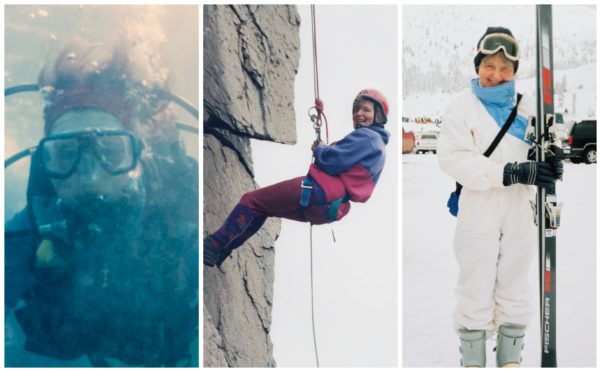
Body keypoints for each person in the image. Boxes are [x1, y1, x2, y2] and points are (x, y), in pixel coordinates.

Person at [5, 38, 199, 367]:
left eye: (110, 152)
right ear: (45, 164)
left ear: (139, 156)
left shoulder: (184, 230)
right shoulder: (23, 240)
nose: (91, 176)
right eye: (66, 155)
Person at [437, 27, 563, 368]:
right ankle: (474, 360)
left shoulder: (528, 107)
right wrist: (508, 172)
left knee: (515, 277)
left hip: (520, 205)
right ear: (478, 65)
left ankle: (510, 361)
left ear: (514, 72)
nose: (496, 74)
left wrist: (551, 161)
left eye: (505, 68)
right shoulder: (462, 107)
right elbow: (452, 157)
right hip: (479, 205)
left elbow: (549, 141)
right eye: (489, 66)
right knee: (475, 279)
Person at [204, 89, 390, 267]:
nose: (359, 113)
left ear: (379, 116)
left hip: (320, 191)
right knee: (262, 209)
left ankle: (213, 246)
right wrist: (324, 150)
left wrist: (321, 150)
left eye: (366, 109)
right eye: (357, 109)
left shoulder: (367, 137)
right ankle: (221, 251)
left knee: (251, 201)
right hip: (332, 208)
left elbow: (331, 160)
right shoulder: (379, 148)